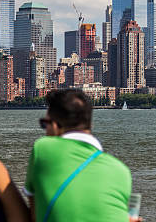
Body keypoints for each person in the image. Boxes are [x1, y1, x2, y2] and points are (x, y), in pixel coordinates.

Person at [25, 89, 134, 222]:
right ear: (90, 124)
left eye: (44, 124)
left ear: (54, 124)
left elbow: (34, 213)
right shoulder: (122, 171)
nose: (44, 130)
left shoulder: (42, 148)